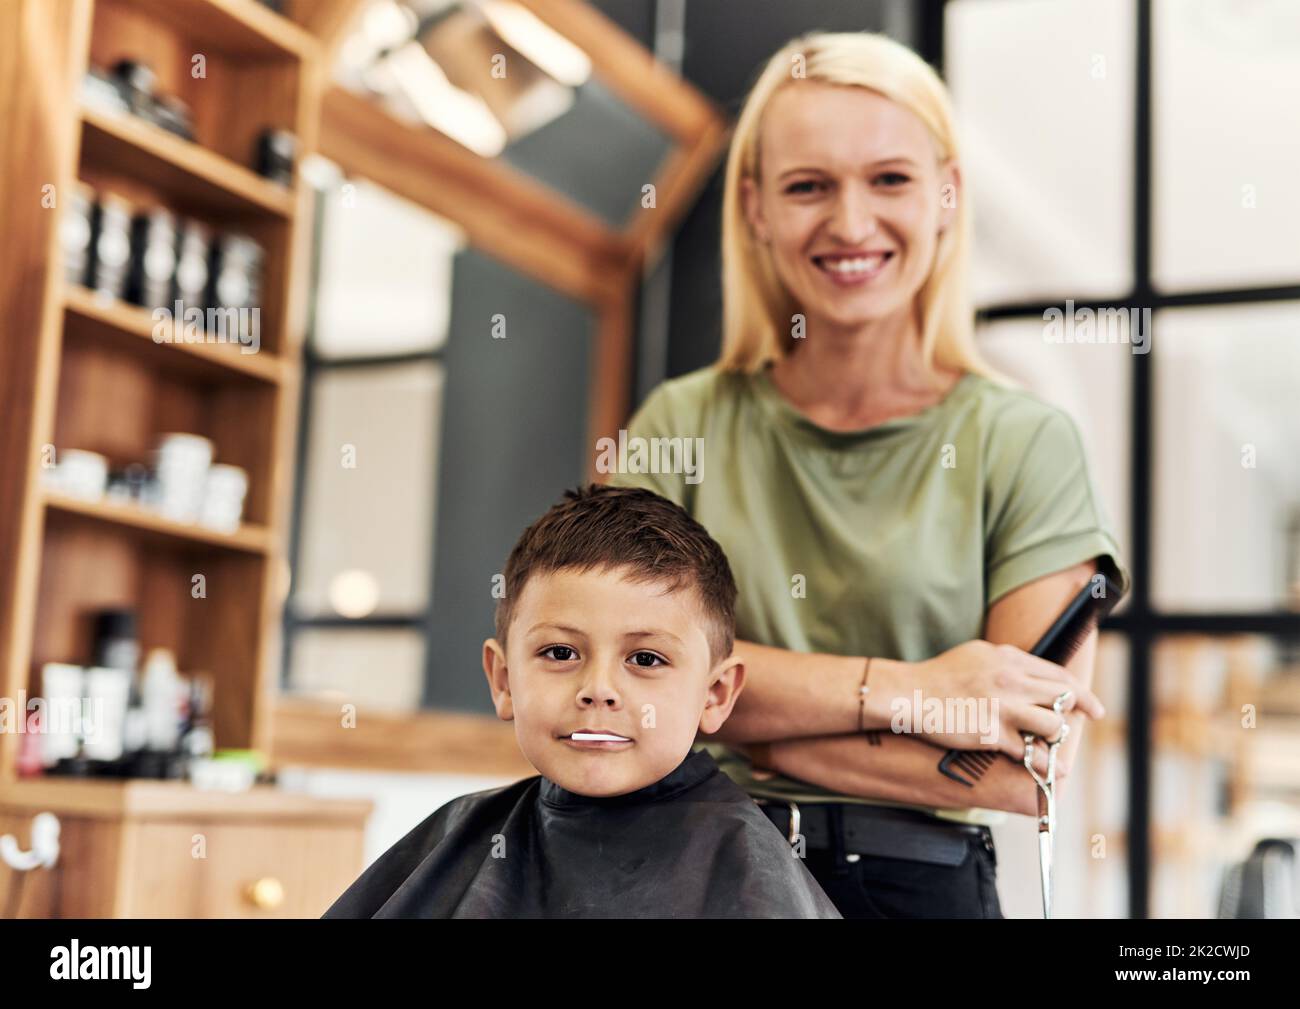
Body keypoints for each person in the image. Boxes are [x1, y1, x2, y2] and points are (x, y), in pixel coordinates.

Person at [608, 30, 1131, 918]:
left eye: (888, 179)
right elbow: (627, 677)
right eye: (809, 185)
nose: (850, 224)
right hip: (692, 877)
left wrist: (752, 726)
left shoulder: (1027, 442)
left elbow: (1026, 771)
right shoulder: (678, 424)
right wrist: (919, 692)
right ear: (757, 208)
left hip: (921, 893)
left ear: (946, 196)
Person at [323, 484, 841, 919]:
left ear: (715, 694)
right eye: (560, 651)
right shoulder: (457, 836)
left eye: (645, 659)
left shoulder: (746, 870)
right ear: (504, 680)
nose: (598, 688)